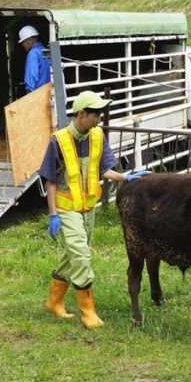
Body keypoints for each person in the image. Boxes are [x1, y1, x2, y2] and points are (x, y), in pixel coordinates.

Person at [39, 90, 150, 328]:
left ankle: (53, 303)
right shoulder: (58, 141)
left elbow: (102, 170)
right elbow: (49, 180)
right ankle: (88, 312)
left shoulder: (97, 136)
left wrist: (125, 178)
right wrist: (53, 215)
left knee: (71, 256)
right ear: (82, 114)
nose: (100, 118)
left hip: (88, 209)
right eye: (96, 114)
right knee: (81, 255)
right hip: (66, 209)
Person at [20, 25, 51, 93]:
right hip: (50, 92)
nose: (22, 45)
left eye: (23, 42)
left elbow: (31, 78)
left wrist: (29, 94)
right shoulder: (46, 50)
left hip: (38, 95)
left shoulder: (33, 53)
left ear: (29, 40)